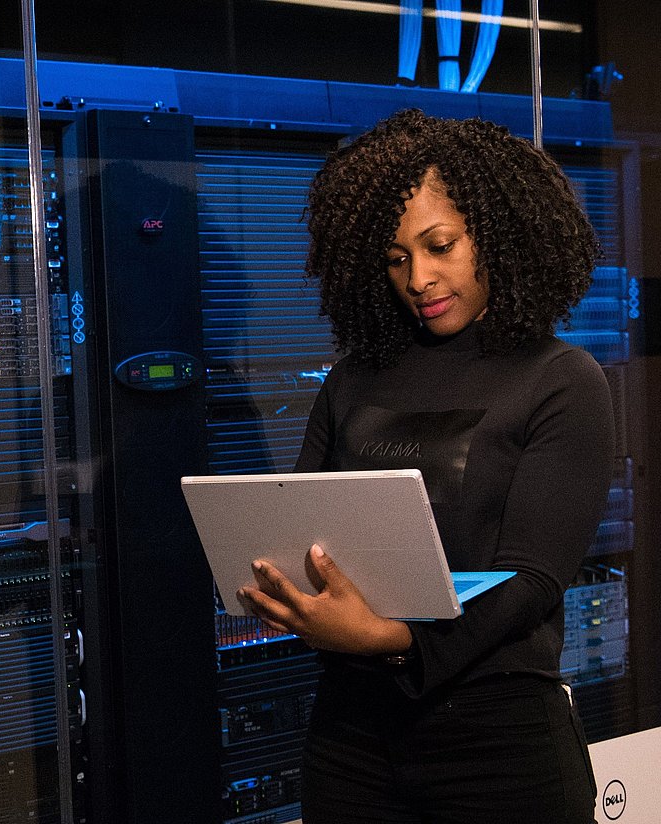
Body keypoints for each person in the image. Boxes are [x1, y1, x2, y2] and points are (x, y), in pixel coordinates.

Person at [235, 109, 613, 823]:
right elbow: (301, 528)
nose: (420, 277)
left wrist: (397, 642)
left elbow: (532, 581)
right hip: (351, 738)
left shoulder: (561, 379)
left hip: (500, 744)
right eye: (395, 256)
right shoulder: (352, 380)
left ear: (497, 236)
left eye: (441, 245)